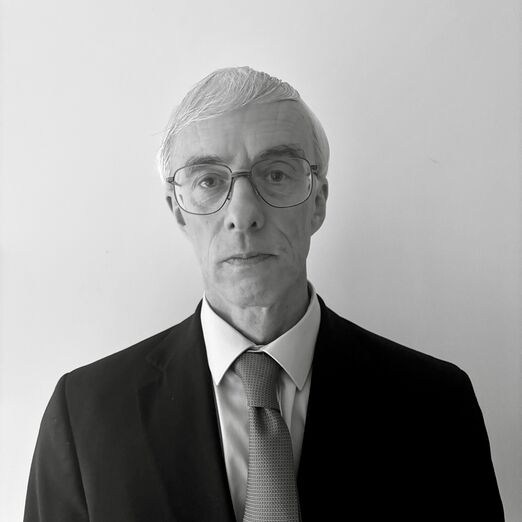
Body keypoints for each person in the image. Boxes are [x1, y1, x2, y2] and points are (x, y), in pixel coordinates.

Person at [23, 66, 504, 522]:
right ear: (178, 211)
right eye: (209, 181)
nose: (243, 215)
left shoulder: (437, 406)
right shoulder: (85, 414)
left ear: (318, 202)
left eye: (275, 174)